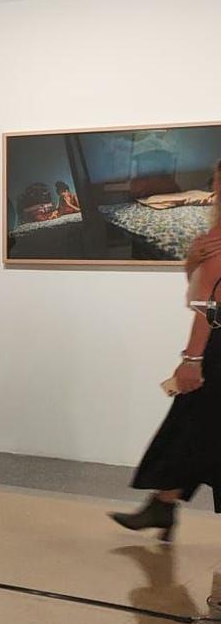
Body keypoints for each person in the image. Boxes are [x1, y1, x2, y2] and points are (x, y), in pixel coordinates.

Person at [112, 159, 221, 548]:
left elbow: (208, 307)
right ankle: (162, 502)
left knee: (193, 428)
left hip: (215, 351)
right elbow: (200, 296)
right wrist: (194, 262)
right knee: (192, 427)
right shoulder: (212, 238)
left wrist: (192, 361)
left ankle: (162, 503)